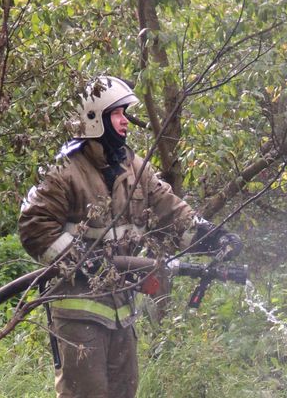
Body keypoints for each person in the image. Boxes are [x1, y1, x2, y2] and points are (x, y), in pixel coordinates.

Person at [18, 75, 240, 398]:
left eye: (124, 113)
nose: (125, 122)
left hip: (122, 313)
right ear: (94, 119)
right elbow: (33, 226)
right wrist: (84, 262)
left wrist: (214, 237)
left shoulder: (134, 168)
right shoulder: (66, 171)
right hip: (79, 315)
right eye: (118, 114)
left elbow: (171, 212)